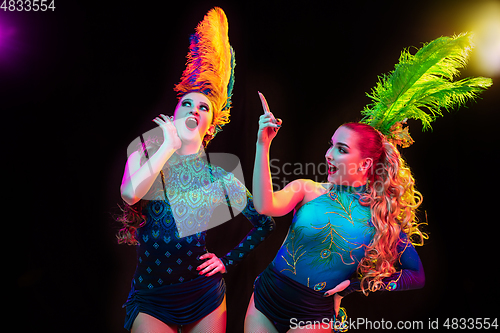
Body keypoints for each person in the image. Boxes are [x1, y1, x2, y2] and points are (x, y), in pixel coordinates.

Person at [245, 33, 492, 333]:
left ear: (364, 164)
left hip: (313, 315)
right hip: (265, 300)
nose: (328, 153)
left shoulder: (379, 217)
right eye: (331, 144)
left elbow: (416, 275)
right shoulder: (307, 189)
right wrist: (263, 145)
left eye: (341, 149)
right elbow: (264, 204)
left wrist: (356, 286)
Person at [116, 8, 275, 333]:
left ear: (210, 125)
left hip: (204, 296)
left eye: (203, 107)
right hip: (151, 297)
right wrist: (168, 146)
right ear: (176, 111)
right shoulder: (145, 152)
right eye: (187, 103)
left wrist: (225, 261)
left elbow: (265, 222)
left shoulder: (219, 177)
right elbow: (131, 193)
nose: (194, 109)